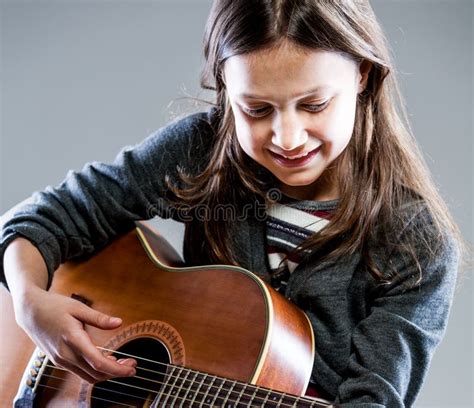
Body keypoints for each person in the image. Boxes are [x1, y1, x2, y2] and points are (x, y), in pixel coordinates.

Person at [0, 0, 462, 407]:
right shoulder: (203, 151)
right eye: (256, 110)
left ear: (362, 73)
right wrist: (29, 303)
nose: (287, 137)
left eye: (314, 104)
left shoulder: (416, 245)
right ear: (224, 86)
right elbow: (41, 219)